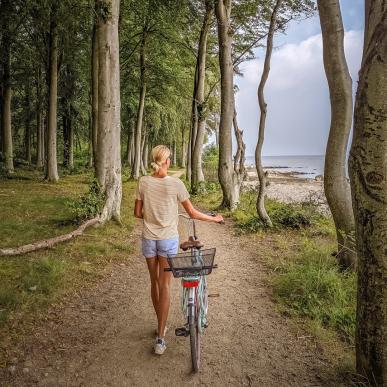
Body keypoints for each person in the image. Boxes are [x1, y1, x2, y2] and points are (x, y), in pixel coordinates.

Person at [134, 145, 223, 355]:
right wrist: (215, 219)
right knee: (165, 286)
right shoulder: (175, 184)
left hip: (149, 239)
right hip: (167, 240)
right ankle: (160, 338)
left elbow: (137, 212)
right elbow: (191, 213)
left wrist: (152, 215)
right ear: (167, 161)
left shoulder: (143, 182)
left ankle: (160, 325)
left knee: (154, 282)